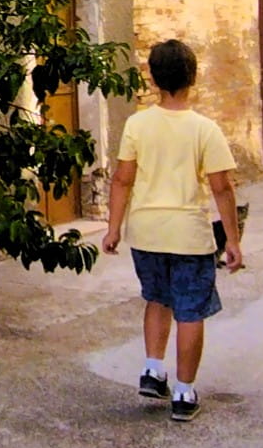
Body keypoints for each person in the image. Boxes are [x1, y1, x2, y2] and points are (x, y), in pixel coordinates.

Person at [99, 38, 243, 421]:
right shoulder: (204, 130)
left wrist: (113, 228)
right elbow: (222, 188)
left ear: (154, 78)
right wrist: (232, 239)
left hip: (145, 232)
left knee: (157, 299)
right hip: (189, 236)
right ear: (192, 78)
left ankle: (152, 369)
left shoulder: (137, 124)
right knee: (190, 311)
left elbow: (122, 180)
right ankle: (183, 392)